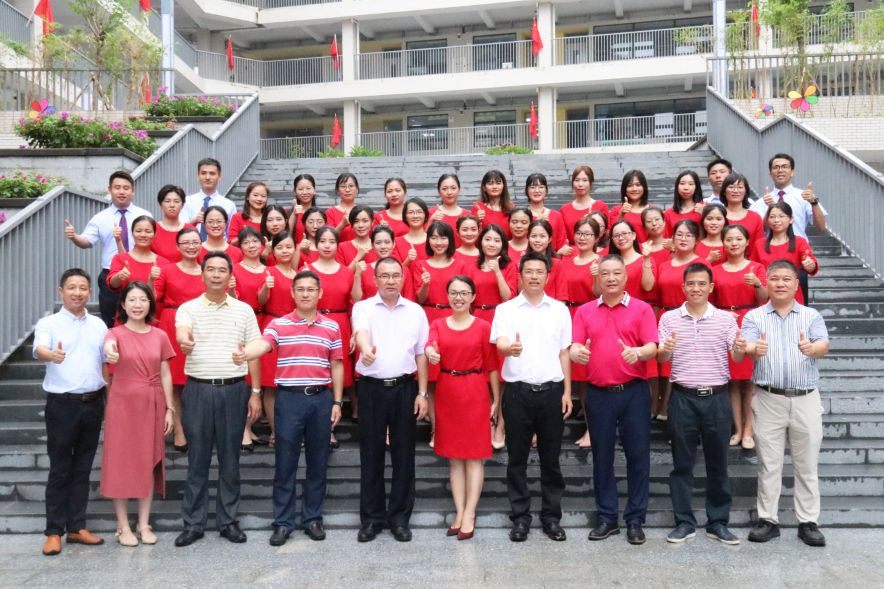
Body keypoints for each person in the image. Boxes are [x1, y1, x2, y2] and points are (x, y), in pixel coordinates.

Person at [234, 270, 344, 546]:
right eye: (300, 289)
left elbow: (337, 365)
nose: (306, 294)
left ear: (320, 293)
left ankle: (313, 518)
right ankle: (283, 522)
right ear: (292, 293)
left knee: (318, 462)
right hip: (289, 400)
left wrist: (337, 402)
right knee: (285, 463)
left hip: (320, 399)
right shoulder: (279, 324)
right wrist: (245, 353)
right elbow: (263, 344)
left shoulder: (332, 327)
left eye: (311, 289)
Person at [732, 259, 830, 547]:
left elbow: (823, 345)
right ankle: (768, 520)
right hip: (768, 398)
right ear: (767, 282)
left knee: (807, 464)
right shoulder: (754, 317)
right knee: (768, 464)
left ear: (796, 284)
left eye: (786, 279)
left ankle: (808, 521)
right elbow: (746, 346)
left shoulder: (811, 316)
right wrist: (752, 349)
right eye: (774, 278)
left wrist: (812, 348)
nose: (780, 284)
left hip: (805, 399)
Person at [173, 252, 263, 547]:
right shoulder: (188, 308)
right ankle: (193, 524)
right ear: (202, 275)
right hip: (198, 390)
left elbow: (254, 351)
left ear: (230, 276)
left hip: (234, 390)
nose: (215, 274)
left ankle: (228, 522)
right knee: (197, 460)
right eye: (210, 269)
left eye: (221, 270)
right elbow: (182, 331)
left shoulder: (244, 310)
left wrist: (256, 392)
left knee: (230, 460)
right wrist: (184, 341)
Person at [571, 254, 658, 545]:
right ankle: (608, 518)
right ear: (598, 277)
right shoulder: (584, 311)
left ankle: (635, 520)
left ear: (626, 276)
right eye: (605, 273)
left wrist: (639, 353)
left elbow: (652, 346)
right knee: (602, 457)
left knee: (638, 457)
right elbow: (575, 346)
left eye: (616, 273)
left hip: (634, 392)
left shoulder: (642, 309)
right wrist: (577, 353)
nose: (610, 278)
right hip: (599, 394)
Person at [491, 252, 573, 543]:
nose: (534, 276)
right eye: (529, 271)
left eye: (540, 271)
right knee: (517, 459)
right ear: (520, 276)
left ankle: (551, 517)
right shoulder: (506, 310)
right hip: (518, 393)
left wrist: (567, 391)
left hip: (551, 392)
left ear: (548, 276)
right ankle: (520, 517)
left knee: (551, 460)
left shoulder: (560, 310)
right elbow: (500, 343)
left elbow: (564, 352)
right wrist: (509, 349)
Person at [657, 263, 740, 545]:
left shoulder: (726, 319)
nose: (696, 289)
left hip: (717, 399)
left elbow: (737, 356)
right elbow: (661, 358)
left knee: (719, 464)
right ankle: (684, 522)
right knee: (682, 464)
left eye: (702, 284)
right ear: (683, 287)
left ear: (711, 287)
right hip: (683, 398)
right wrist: (665, 351)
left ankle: (718, 522)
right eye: (691, 284)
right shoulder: (669, 318)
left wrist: (741, 349)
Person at [352, 257, 429, 543]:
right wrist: (365, 350)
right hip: (371, 389)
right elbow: (361, 332)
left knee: (404, 455)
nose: (391, 280)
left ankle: (399, 518)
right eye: (384, 275)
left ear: (403, 278)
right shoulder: (363, 308)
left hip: (404, 389)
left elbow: (421, 354)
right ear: (375, 279)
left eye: (396, 275)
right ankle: (371, 519)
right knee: (371, 455)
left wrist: (422, 393)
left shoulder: (416, 311)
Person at [34, 268, 108, 556]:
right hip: (62, 405)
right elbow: (40, 349)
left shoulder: (99, 325)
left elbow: (105, 361)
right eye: (72, 287)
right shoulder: (49, 323)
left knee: (83, 468)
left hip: (93, 403)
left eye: (83, 287)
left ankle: (77, 527)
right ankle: (54, 531)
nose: (78, 292)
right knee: (60, 469)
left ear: (90, 292)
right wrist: (51, 355)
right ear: (61, 291)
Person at [425, 275, 500, 541]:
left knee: (474, 456)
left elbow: (492, 365)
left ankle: (470, 512)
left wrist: (496, 399)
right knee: (454, 457)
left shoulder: (482, 326)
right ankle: (459, 511)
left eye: (464, 293)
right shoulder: (437, 324)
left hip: (475, 390)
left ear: (473, 296)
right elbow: (430, 346)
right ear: (447, 296)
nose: (459, 298)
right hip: (448, 390)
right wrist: (431, 354)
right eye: (454, 293)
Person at [101, 281, 175, 547]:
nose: (137, 305)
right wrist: (110, 352)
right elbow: (109, 348)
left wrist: (170, 409)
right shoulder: (114, 333)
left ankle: (144, 523)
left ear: (150, 304)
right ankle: (122, 525)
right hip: (122, 405)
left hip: (153, 403)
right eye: (132, 300)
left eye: (143, 299)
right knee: (120, 462)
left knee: (148, 462)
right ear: (123, 304)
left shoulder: (160, 335)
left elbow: (165, 373)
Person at [63, 170, 152, 327]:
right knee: (110, 321)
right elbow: (86, 241)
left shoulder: (144, 215)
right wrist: (74, 236)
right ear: (109, 189)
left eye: (126, 188)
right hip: (111, 274)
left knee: (141, 319)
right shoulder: (100, 217)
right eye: (117, 187)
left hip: (139, 271)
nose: (122, 192)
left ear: (133, 190)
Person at [712, 225, 768, 449]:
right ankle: (737, 429)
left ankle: (749, 430)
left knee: (750, 380)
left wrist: (758, 283)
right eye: (729, 239)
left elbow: (764, 298)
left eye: (738, 239)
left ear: (747, 242)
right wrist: (723, 314)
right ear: (723, 242)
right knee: (733, 381)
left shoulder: (756, 267)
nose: (733, 243)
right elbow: (709, 302)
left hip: (750, 321)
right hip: (725, 323)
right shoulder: (715, 270)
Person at [153, 227, 205, 451]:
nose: (191, 246)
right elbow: (153, 297)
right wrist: (150, 279)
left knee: (198, 379)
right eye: (186, 243)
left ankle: (198, 428)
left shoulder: (207, 269)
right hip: (172, 324)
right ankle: (178, 429)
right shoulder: (167, 270)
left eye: (195, 242)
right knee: (174, 381)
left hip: (202, 326)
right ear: (178, 247)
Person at [750, 153, 827, 303]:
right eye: (776, 167)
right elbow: (759, 230)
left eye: (785, 167)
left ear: (792, 171)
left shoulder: (804, 196)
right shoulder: (762, 201)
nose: (780, 170)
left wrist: (813, 202)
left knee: (798, 304)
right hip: (768, 257)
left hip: (797, 257)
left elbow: (821, 227)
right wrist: (768, 208)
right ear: (770, 173)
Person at [305, 226, 356, 446]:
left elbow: (353, 304)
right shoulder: (307, 269)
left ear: (338, 245)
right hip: (313, 324)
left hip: (340, 324)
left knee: (337, 376)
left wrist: (354, 332)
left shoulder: (347, 271)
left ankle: (330, 426)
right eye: (322, 241)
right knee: (316, 375)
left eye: (332, 241)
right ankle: (317, 426)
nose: (327, 246)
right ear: (316, 244)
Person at [559, 217, 602, 449]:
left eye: (588, 234)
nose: (582, 238)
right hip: (566, 315)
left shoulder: (600, 261)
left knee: (589, 376)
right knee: (571, 374)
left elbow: (600, 294)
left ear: (597, 237)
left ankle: (592, 428)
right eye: (579, 233)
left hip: (590, 317)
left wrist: (597, 274)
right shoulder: (565, 259)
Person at [231, 226, 271, 450]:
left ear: (262, 244)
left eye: (255, 241)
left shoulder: (269, 270)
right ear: (241, 247)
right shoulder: (235, 269)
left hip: (265, 321)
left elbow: (266, 299)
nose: (251, 246)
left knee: (262, 375)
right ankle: (243, 427)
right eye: (246, 242)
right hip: (241, 322)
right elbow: (232, 299)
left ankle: (251, 425)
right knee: (245, 376)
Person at [259, 231, 299, 445]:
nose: (285, 251)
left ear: (295, 249)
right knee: (271, 383)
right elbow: (260, 300)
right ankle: (275, 431)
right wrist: (266, 286)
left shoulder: (300, 274)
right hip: (274, 326)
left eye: (289, 247)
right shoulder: (269, 271)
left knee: (293, 381)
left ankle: (292, 431)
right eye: (280, 247)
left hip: (296, 330)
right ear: (273, 251)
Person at [752, 202, 819, 305]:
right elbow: (753, 269)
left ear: (791, 219)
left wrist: (810, 265)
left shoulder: (799, 242)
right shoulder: (759, 244)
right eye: (772, 217)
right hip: (766, 297)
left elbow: (811, 265)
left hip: (792, 297)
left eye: (781, 216)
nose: (776, 220)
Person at [106, 216, 168, 302]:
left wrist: (151, 279)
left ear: (154, 234)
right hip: (127, 308)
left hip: (154, 309)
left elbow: (156, 297)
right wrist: (119, 276)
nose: (143, 235)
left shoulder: (164, 263)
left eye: (148, 231)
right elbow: (112, 285)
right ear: (132, 233)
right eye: (138, 231)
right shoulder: (120, 258)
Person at [181, 158, 237, 240]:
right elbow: (181, 231)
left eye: (212, 173)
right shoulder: (187, 202)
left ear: (219, 176)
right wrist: (195, 221)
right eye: (203, 173)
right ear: (198, 176)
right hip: (193, 246)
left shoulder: (229, 205)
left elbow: (231, 236)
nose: (207, 177)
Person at [559, 165, 608, 245]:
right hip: (571, 249)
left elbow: (607, 233)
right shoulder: (564, 209)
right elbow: (562, 236)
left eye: (585, 180)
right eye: (577, 180)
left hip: (595, 248)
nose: (580, 184)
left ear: (590, 183)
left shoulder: (601, 206)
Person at [524, 173, 568, 254]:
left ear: (546, 190)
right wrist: (536, 223)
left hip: (552, 258)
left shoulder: (556, 216)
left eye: (541, 187)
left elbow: (562, 244)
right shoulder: (522, 216)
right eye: (532, 187)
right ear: (526, 190)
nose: (537, 191)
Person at [721, 173, 764, 247]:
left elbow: (759, 246)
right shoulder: (718, 216)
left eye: (740, 187)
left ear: (746, 192)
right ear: (724, 191)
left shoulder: (755, 217)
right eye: (731, 187)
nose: (735, 191)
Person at [609, 170, 651, 244]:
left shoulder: (652, 211)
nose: (634, 189)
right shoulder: (616, 210)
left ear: (644, 187)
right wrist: (621, 215)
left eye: (638, 185)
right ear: (624, 189)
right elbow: (611, 235)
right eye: (630, 185)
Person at [152, 185, 191, 262]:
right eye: (167, 201)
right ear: (160, 205)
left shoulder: (190, 230)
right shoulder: (152, 229)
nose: (172, 205)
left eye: (176, 201)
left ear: (182, 205)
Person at [471, 170, 514, 236]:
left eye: (498, 183)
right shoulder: (478, 208)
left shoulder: (511, 207)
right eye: (490, 184)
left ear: (503, 186)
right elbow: (472, 233)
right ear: (484, 187)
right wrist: (476, 221)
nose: (494, 187)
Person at [664, 170, 704, 237]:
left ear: (696, 187)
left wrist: (704, 215)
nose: (686, 188)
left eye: (691, 184)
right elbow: (667, 238)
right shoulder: (668, 214)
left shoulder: (704, 208)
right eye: (682, 183)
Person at [393, 197, 429, 271]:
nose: (415, 216)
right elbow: (394, 272)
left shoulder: (434, 241)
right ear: (405, 216)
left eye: (419, 212)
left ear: (425, 215)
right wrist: (408, 260)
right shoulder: (396, 242)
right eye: (411, 212)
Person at [229, 181, 269, 247]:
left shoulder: (269, 218)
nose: (259, 199)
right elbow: (232, 242)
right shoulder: (237, 217)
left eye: (263, 196)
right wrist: (246, 234)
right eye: (255, 195)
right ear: (247, 197)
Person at [429, 174, 469, 241]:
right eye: (444, 189)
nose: (449, 192)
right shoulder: (431, 214)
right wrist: (431, 221)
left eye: (453, 188)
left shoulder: (468, 215)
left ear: (459, 190)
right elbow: (423, 240)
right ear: (439, 192)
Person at [337, 205, 376, 270]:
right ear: (351, 224)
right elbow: (342, 275)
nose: (361, 225)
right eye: (356, 221)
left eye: (365, 221)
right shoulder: (341, 248)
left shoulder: (379, 247)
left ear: (372, 222)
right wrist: (358, 257)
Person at [325, 173, 360, 242]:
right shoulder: (330, 212)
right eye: (343, 186)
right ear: (337, 190)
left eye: (351, 186)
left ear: (356, 189)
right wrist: (342, 224)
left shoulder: (362, 212)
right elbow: (328, 239)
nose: (347, 190)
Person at [288, 173, 317, 243]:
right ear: (295, 191)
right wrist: (294, 214)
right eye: (300, 189)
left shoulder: (320, 213)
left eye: (308, 188)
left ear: (314, 190)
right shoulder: (289, 213)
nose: (305, 192)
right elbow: (285, 235)